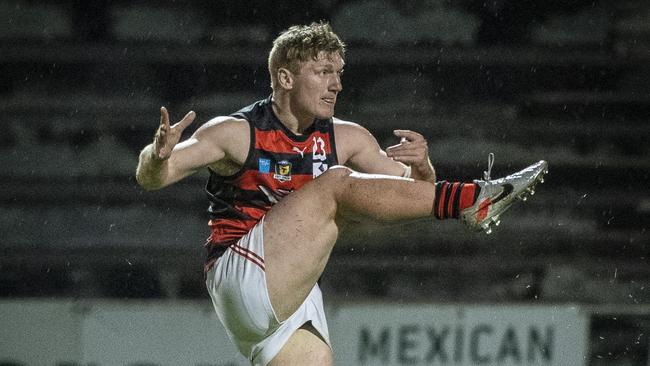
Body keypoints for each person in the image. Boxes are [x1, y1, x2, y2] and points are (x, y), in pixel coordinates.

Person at [135, 22, 547, 366]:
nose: (336, 85)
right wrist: (156, 155)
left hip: (288, 294)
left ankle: (470, 203)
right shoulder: (235, 131)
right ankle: (473, 198)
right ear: (285, 77)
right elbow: (152, 178)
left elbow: (413, 197)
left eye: (339, 73)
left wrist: (423, 167)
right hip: (240, 276)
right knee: (334, 184)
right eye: (323, 71)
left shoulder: (348, 136)